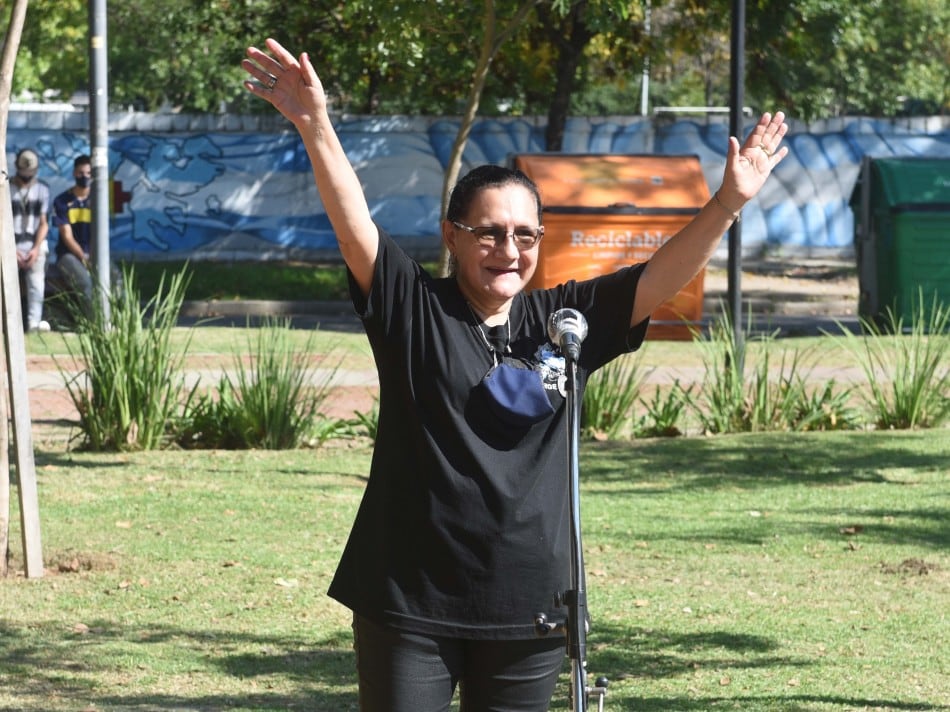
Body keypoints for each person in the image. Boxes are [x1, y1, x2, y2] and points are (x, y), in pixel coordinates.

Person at [242, 38, 789, 711]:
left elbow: (659, 278)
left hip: (530, 607)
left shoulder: (568, 319)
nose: (509, 249)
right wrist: (315, 123)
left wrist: (727, 204)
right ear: (453, 237)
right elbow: (355, 226)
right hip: (409, 601)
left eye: (526, 235)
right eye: (490, 232)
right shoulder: (415, 310)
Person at [11, 148, 52, 332]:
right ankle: (9, 324)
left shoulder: (43, 189)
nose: (27, 175)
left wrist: (35, 249)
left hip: (34, 245)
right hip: (9, 246)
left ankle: (33, 324)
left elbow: (44, 224)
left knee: (36, 283)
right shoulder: (6, 188)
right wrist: (11, 250)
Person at [51, 154, 95, 318]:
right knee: (85, 283)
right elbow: (66, 236)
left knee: (116, 280)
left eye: (88, 173)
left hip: (93, 254)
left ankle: (117, 321)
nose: (84, 177)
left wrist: (93, 255)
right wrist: (83, 257)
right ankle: (94, 324)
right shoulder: (62, 201)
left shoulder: (97, 200)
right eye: (80, 173)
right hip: (68, 255)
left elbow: (99, 233)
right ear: (74, 173)